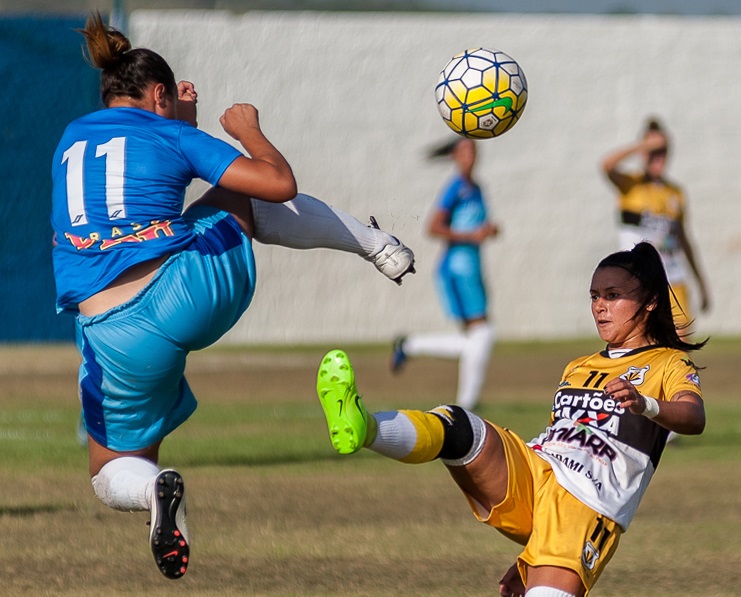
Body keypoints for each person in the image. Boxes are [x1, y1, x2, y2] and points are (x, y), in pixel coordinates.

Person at [51, 12, 414, 580]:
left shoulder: (71, 138)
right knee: (237, 194)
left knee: (110, 471)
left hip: (109, 333)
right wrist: (243, 130)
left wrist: (181, 125)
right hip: (186, 294)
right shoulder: (173, 131)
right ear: (159, 93)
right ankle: (375, 244)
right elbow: (277, 184)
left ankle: (152, 494)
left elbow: (133, 174)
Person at [316, 242, 706, 597]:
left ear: (651, 302)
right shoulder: (578, 366)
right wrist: (531, 551)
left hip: (588, 505)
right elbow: (563, 437)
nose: (600, 306)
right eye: (594, 296)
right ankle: (365, 425)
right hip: (537, 470)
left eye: (613, 296)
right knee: (457, 426)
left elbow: (693, 416)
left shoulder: (669, 362)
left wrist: (646, 404)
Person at [390, 137, 499, 410]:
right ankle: (466, 404)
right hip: (457, 268)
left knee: (473, 339)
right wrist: (472, 235)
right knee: (482, 333)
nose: (470, 155)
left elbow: (475, 226)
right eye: (464, 151)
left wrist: (488, 230)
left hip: (471, 266)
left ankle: (409, 346)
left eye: (473, 149)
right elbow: (433, 226)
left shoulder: (476, 188)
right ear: (454, 156)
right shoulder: (455, 188)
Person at [601, 118, 710, 332]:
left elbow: (684, 241)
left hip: (672, 279)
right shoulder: (630, 185)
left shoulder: (675, 193)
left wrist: (701, 283)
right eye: (653, 151)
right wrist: (645, 144)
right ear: (643, 153)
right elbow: (606, 165)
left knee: (680, 348)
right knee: (639, 345)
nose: (658, 156)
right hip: (638, 281)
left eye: (663, 151)